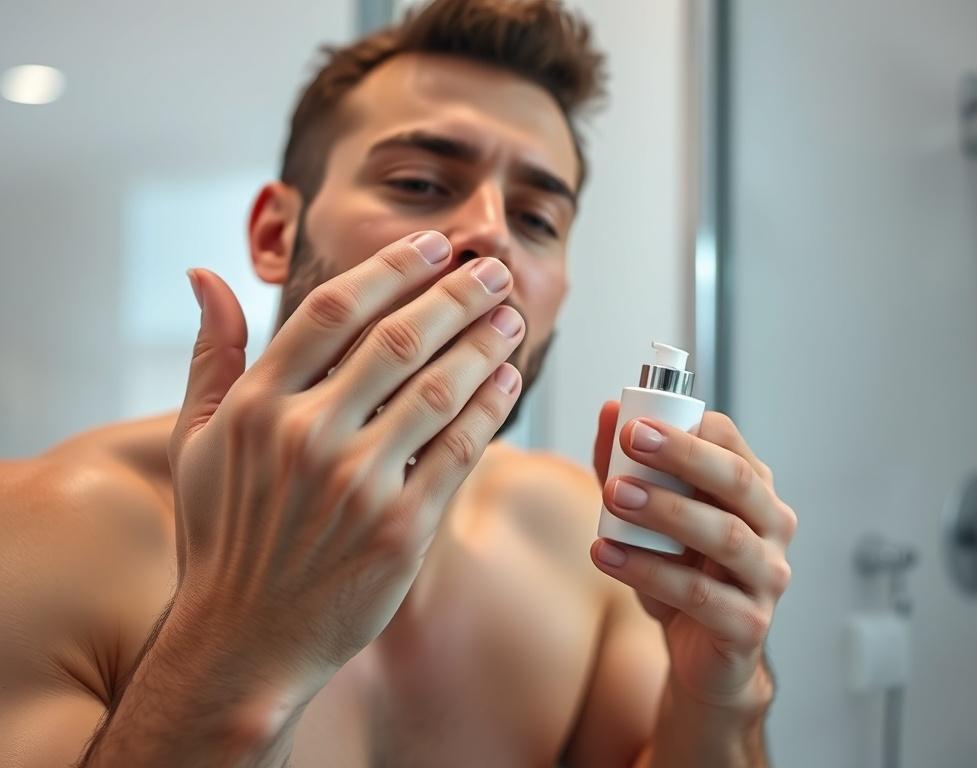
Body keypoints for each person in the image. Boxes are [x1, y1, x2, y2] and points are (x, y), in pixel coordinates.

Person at [0, 0, 797, 765]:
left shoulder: (583, 549)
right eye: (419, 183)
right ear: (277, 234)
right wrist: (236, 639)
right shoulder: (42, 533)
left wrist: (720, 695)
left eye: (537, 220)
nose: (490, 231)